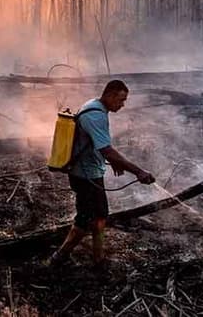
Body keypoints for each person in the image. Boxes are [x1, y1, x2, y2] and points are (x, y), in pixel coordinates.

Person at [46, 80, 156, 270]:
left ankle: (98, 258)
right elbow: (106, 149)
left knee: (99, 215)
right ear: (111, 95)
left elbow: (96, 145)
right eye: (121, 100)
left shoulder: (94, 106)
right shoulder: (96, 116)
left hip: (89, 172)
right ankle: (59, 257)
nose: (122, 104)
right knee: (86, 218)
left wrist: (114, 161)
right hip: (85, 175)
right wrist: (138, 172)